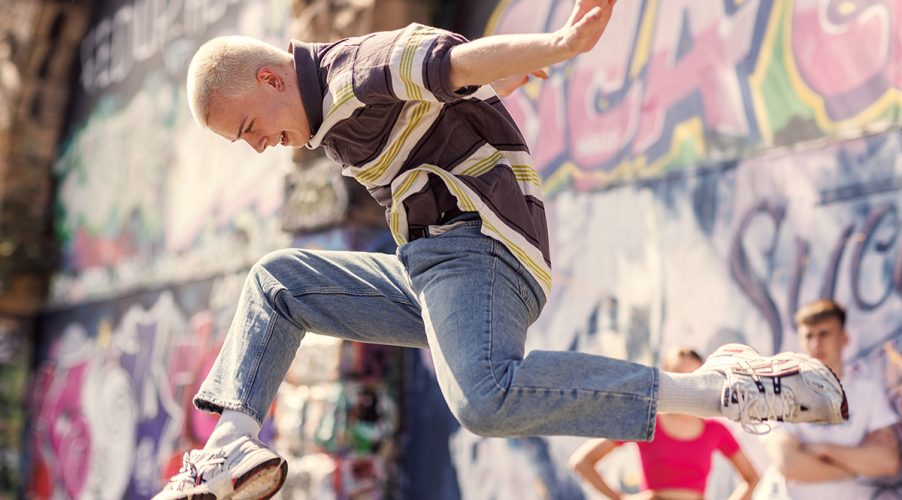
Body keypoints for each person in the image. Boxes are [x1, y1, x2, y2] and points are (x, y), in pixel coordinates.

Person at [155, 1, 849, 498]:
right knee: (277, 281)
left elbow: (448, 63)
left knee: (484, 400)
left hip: (479, 250)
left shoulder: (354, 70)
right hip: (431, 271)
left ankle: (725, 391)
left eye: (249, 126)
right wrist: (503, 87)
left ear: (273, 79)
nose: (257, 144)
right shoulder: (327, 120)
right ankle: (228, 444)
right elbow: (454, 97)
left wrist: (558, 46)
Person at [754, 299, 899, 499]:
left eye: (824, 334)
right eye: (809, 336)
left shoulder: (868, 393)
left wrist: (822, 449)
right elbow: (789, 464)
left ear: (844, 338)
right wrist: (857, 465)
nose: (816, 344)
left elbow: (888, 462)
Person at [570, 347, 760, 500]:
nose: (687, 386)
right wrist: (622, 498)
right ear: (665, 378)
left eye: (693, 377)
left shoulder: (716, 431)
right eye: (679, 376)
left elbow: (752, 478)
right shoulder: (645, 421)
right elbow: (582, 462)